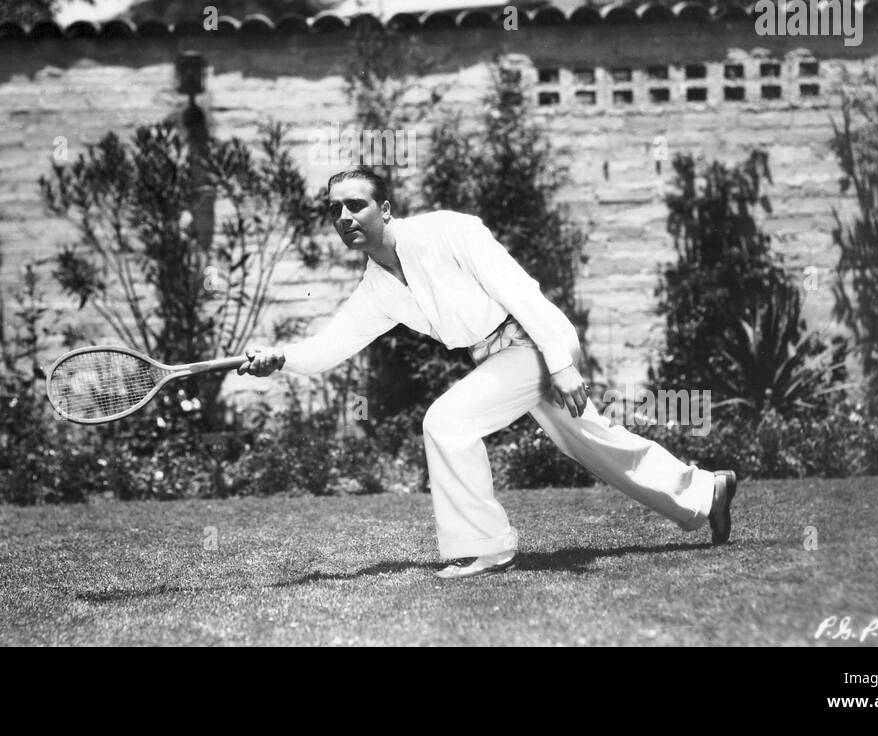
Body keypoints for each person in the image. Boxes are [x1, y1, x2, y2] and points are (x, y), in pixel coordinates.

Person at [239, 166, 736, 580]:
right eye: (335, 210)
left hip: (535, 341)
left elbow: (521, 292)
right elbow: (334, 344)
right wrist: (280, 357)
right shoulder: (377, 286)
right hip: (501, 356)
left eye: (356, 205)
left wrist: (561, 365)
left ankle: (487, 547)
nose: (344, 217)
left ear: (385, 209)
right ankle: (703, 491)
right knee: (589, 440)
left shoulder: (450, 230)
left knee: (447, 421)